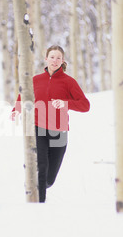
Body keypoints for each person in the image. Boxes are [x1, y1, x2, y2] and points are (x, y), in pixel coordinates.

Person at [11, 45, 90, 202]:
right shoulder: (35, 80)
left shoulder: (69, 82)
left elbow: (85, 105)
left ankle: (36, 180)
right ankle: (39, 207)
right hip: (37, 128)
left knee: (49, 179)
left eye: (58, 57)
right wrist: (16, 110)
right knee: (42, 168)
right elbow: (23, 96)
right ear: (46, 59)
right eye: (52, 57)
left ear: (63, 61)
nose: (55, 60)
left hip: (59, 131)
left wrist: (66, 103)